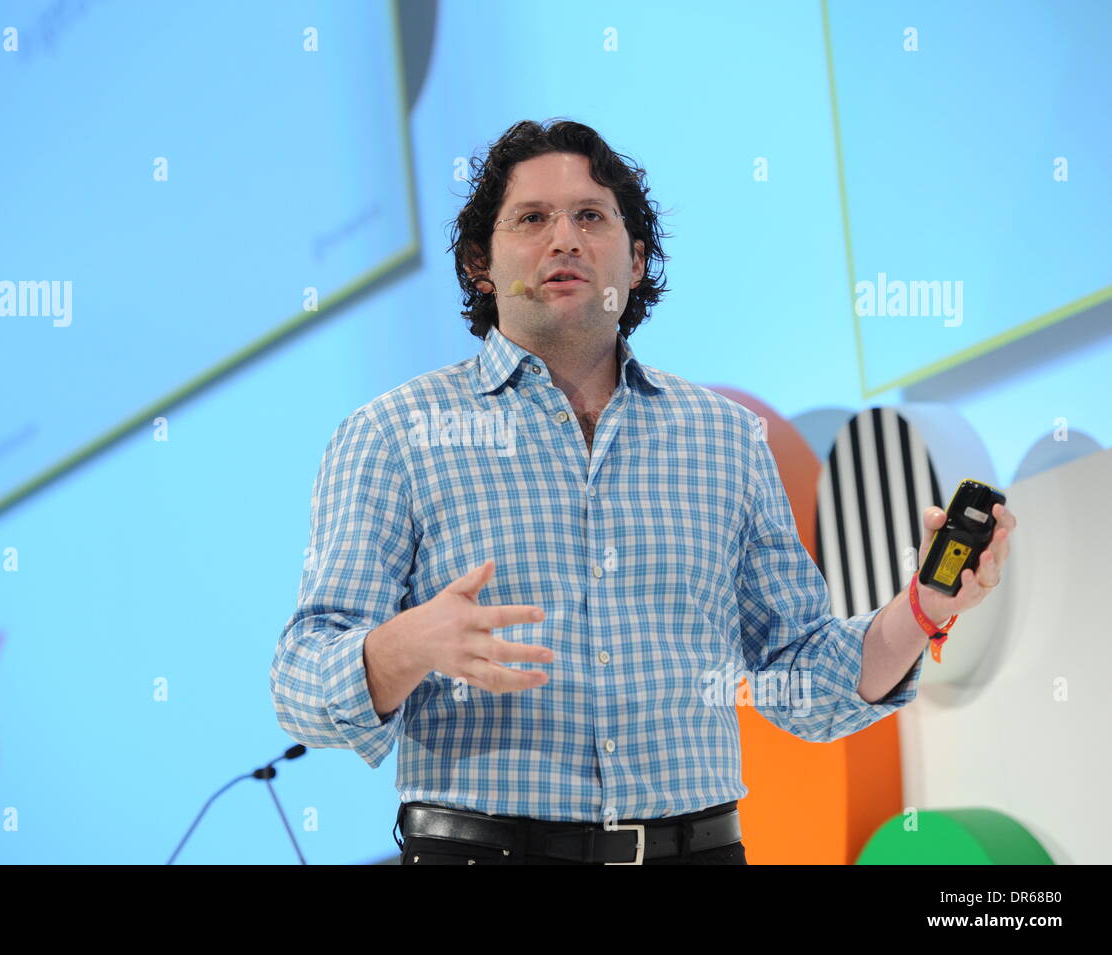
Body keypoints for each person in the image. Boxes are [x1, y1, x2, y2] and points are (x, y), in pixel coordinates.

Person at [270, 119, 1016, 865]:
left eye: (590, 216)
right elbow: (299, 684)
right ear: (479, 264)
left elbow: (803, 676)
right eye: (532, 218)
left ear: (635, 258)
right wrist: (403, 645)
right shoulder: (393, 435)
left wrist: (922, 607)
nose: (564, 237)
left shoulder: (726, 439)